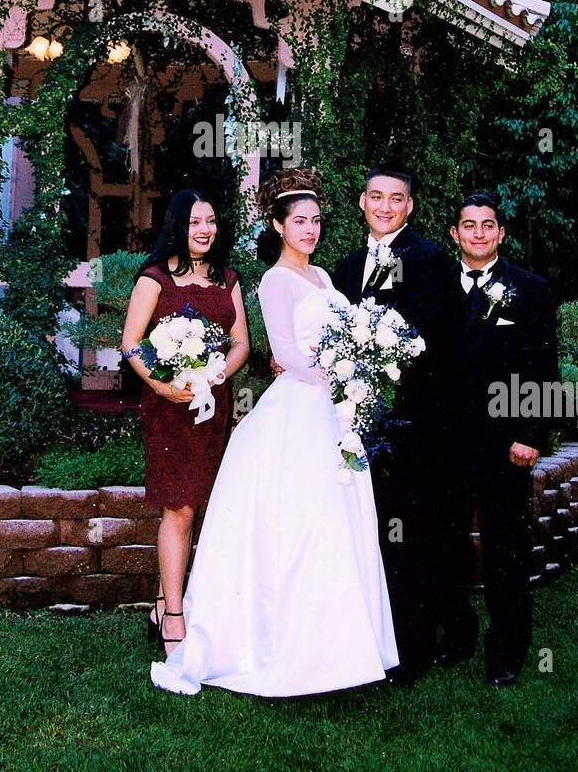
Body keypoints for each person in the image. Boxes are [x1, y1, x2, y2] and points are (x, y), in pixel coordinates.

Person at [149, 167, 398, 697]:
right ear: (280, 227)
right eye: (299, 222)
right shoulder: (274, 281)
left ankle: (339, 649)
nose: (310, 230)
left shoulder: (326, 279)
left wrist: (359, 369)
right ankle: (281, 645)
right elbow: (284, 354)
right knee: (298, 526)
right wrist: (345, 372)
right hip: (298, 413)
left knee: (337, 525)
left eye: (316, 221)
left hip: (333, 413)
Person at [332, 167, 454, 685]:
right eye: (376, 196)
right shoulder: (344, 267)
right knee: (360, 531)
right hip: (349, 426)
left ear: (410, 206)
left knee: (409, 535)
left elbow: (436, 342)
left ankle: (411, 649)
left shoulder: (430, 262)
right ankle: (362, 641)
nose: (385, 206)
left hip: (412, 425)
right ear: (362, 201)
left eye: (396, 198)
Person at [121, 190, 249, 656]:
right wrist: (160, 385)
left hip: (212, 409)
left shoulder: (227, 279)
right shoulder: (154, 279)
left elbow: (241, 345)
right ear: (178, 226)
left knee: (199, 505)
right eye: (195, 222)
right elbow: (132, 344)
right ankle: (175, 617)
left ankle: (162, 603)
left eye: (211, 221)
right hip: (170, 410)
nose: (205, 230)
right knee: (178, 507)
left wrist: (214, 376)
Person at [438, 192, 558, 687]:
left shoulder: (529, 288)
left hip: (504, 442)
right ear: (455, 233)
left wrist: (529, 433)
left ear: (501, 233)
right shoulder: (437, 285)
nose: (479, 234)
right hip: (446, 440)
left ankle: (507, 651)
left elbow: (541, 365)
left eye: (488, 226)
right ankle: (458, 635)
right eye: (470, 225)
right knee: (446, 545)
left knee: (505, 548)